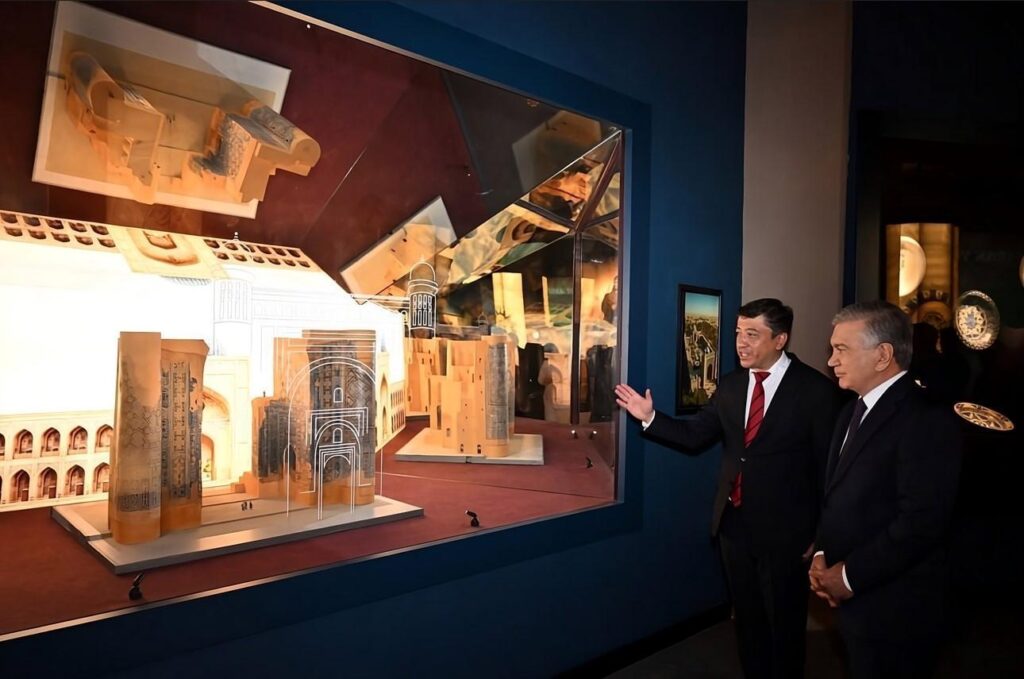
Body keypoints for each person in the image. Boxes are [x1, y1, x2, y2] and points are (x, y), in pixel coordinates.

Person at [615, 298, 842, 679]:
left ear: (780, 339)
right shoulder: (732, 385)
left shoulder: (815, 391)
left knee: (784, 626)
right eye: (738, 332)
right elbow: (694, 436)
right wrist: (650, 417)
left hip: (787, 533)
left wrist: (820, 535)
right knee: (748, 623)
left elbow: (829, 469)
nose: (740, 342)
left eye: (752, 334)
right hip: (733, 526)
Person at [810, 301, 962, 678]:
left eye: (841, 349)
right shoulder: (850, 411)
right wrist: (824, 552)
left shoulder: (926, 419)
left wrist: (849, 576)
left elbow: (921, 523)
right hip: (856, 604)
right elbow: (837, 496)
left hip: (897, 608)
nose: (831, 361)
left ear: (882, 356)